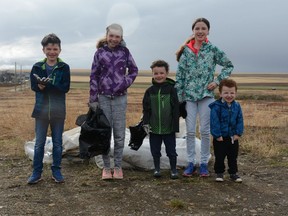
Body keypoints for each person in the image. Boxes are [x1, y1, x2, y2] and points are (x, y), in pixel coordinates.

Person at [175, 17, 234, 177]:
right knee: (190, 130)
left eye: (203, 28)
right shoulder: (185, 51)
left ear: (208, 31)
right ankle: (190, 163)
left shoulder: (212, 49)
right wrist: (179, 97)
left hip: (206, 95)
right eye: (197, 28)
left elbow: (229, 65)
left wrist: (216, 82)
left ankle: (203, 163)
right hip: (189, 96)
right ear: (193, 31)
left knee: (205, 130)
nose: (200, 31)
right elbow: (180, 75)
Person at [89, 23, 138, 180]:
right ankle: (106, 167)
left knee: (118, 133)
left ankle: (117, 167)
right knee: (104, 133)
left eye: (117, 37)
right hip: (103, 98)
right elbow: (94, 75)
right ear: (107, 36)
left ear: (121, 38)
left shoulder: (125, 52)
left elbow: (134, 70)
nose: (114, 39)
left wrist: (124, 83)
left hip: (120, 98)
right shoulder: (99, 53)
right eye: (112, 36)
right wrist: (93, 98)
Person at [28, 33, 71, 184]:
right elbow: (33, 86)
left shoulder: (64, 67)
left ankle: (57, 171)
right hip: (41, 111)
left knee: (58, 143)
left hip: (58, 112)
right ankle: (36, 172)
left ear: (60, 50)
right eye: (49, 49)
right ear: (43, 50)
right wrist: (39, 87)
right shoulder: (37, 67)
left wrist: (48, 85)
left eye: (55, 49)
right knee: (39, 143)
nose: (52, 52)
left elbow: (65, 88)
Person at [142, 60, 179, 179]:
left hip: (169, 128)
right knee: (155, 150)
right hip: (154, 128)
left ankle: (173, 169)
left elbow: (176, 109)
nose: (159, 76)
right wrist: (146, 123)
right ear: (152, 74)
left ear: (167, 73)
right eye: (156, 73)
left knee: (171, 150)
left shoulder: (172, 89)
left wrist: (175, 126)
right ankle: (157, 169)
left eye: (161, 73)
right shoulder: (149, 91)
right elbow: (146, 109)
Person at [209, 79, 244, 182]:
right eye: (226, 93)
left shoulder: (237, 106)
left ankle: (233, 173)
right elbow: (214, 121)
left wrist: (238, 133)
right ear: (220, 93)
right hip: (220, 137)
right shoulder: (216, 106)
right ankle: (219, 173)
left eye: (232, 93)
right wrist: (217, 135)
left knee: (233, 156)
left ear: (236, 93)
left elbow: (240, 119)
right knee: (220, 156)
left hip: (233, 137)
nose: (229, 95)